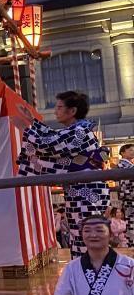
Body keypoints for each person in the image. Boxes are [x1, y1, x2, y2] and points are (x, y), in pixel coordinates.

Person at [16, 90, 110, 258]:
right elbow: (54, 136)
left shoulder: (80, 132)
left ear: (72, 111)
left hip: (87, 190)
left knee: (87, 235)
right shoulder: (77, 130)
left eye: (59, 107)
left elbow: (49, 144)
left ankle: (93, 275)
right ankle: (85, 275)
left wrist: (26, 130)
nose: (55, 111)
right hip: (81, 187)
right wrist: (32, 121)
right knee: (80, 235)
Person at [118, 143, 134, 223]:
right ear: (122, 153)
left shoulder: (130, 164)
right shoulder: (122, 164)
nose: (133, 152)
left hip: (129, 195)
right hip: (129, 195)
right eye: (130, 150)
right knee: (131, 219)